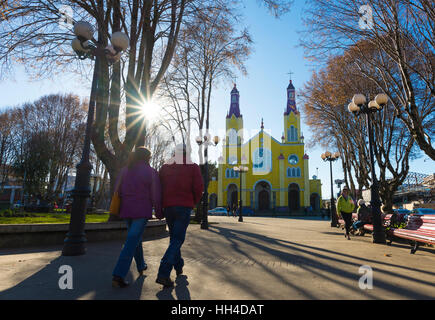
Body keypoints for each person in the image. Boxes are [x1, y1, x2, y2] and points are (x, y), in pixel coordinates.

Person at [112, 147, 162, 288]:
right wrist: (158, 211)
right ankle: (119, 274)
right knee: (131, 241)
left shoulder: (124, 170)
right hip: (141, 210)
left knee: (135, 238)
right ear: (147, 157)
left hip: (126, 210)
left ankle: (141, 265)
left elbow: (117, 189)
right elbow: (156, 195)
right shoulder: (151, 172)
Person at [156, 144, 204, 287]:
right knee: (177, 239)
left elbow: (159, 187)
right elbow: (199, 187)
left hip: (168, 206)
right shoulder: (193, 166)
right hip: (184, 206)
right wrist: (193, 202)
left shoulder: (165, 167)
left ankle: (178, 266)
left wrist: (161, 205)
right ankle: (163, 273)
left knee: (174, 238)